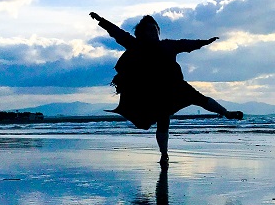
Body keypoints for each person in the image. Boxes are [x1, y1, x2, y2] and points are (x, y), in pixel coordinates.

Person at [90, 12, 242, 164]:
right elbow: (118, 33)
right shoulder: (135, 45)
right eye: (149, 30)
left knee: (200, 99)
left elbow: (186, 44)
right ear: (141, 33)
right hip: (154, 91)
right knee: (163, 122)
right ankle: (164, 154)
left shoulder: (167, 45)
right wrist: (101, 20)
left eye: (155, 30)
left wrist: (205, 42)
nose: (153, 33)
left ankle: (226, 113)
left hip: (176, 86)